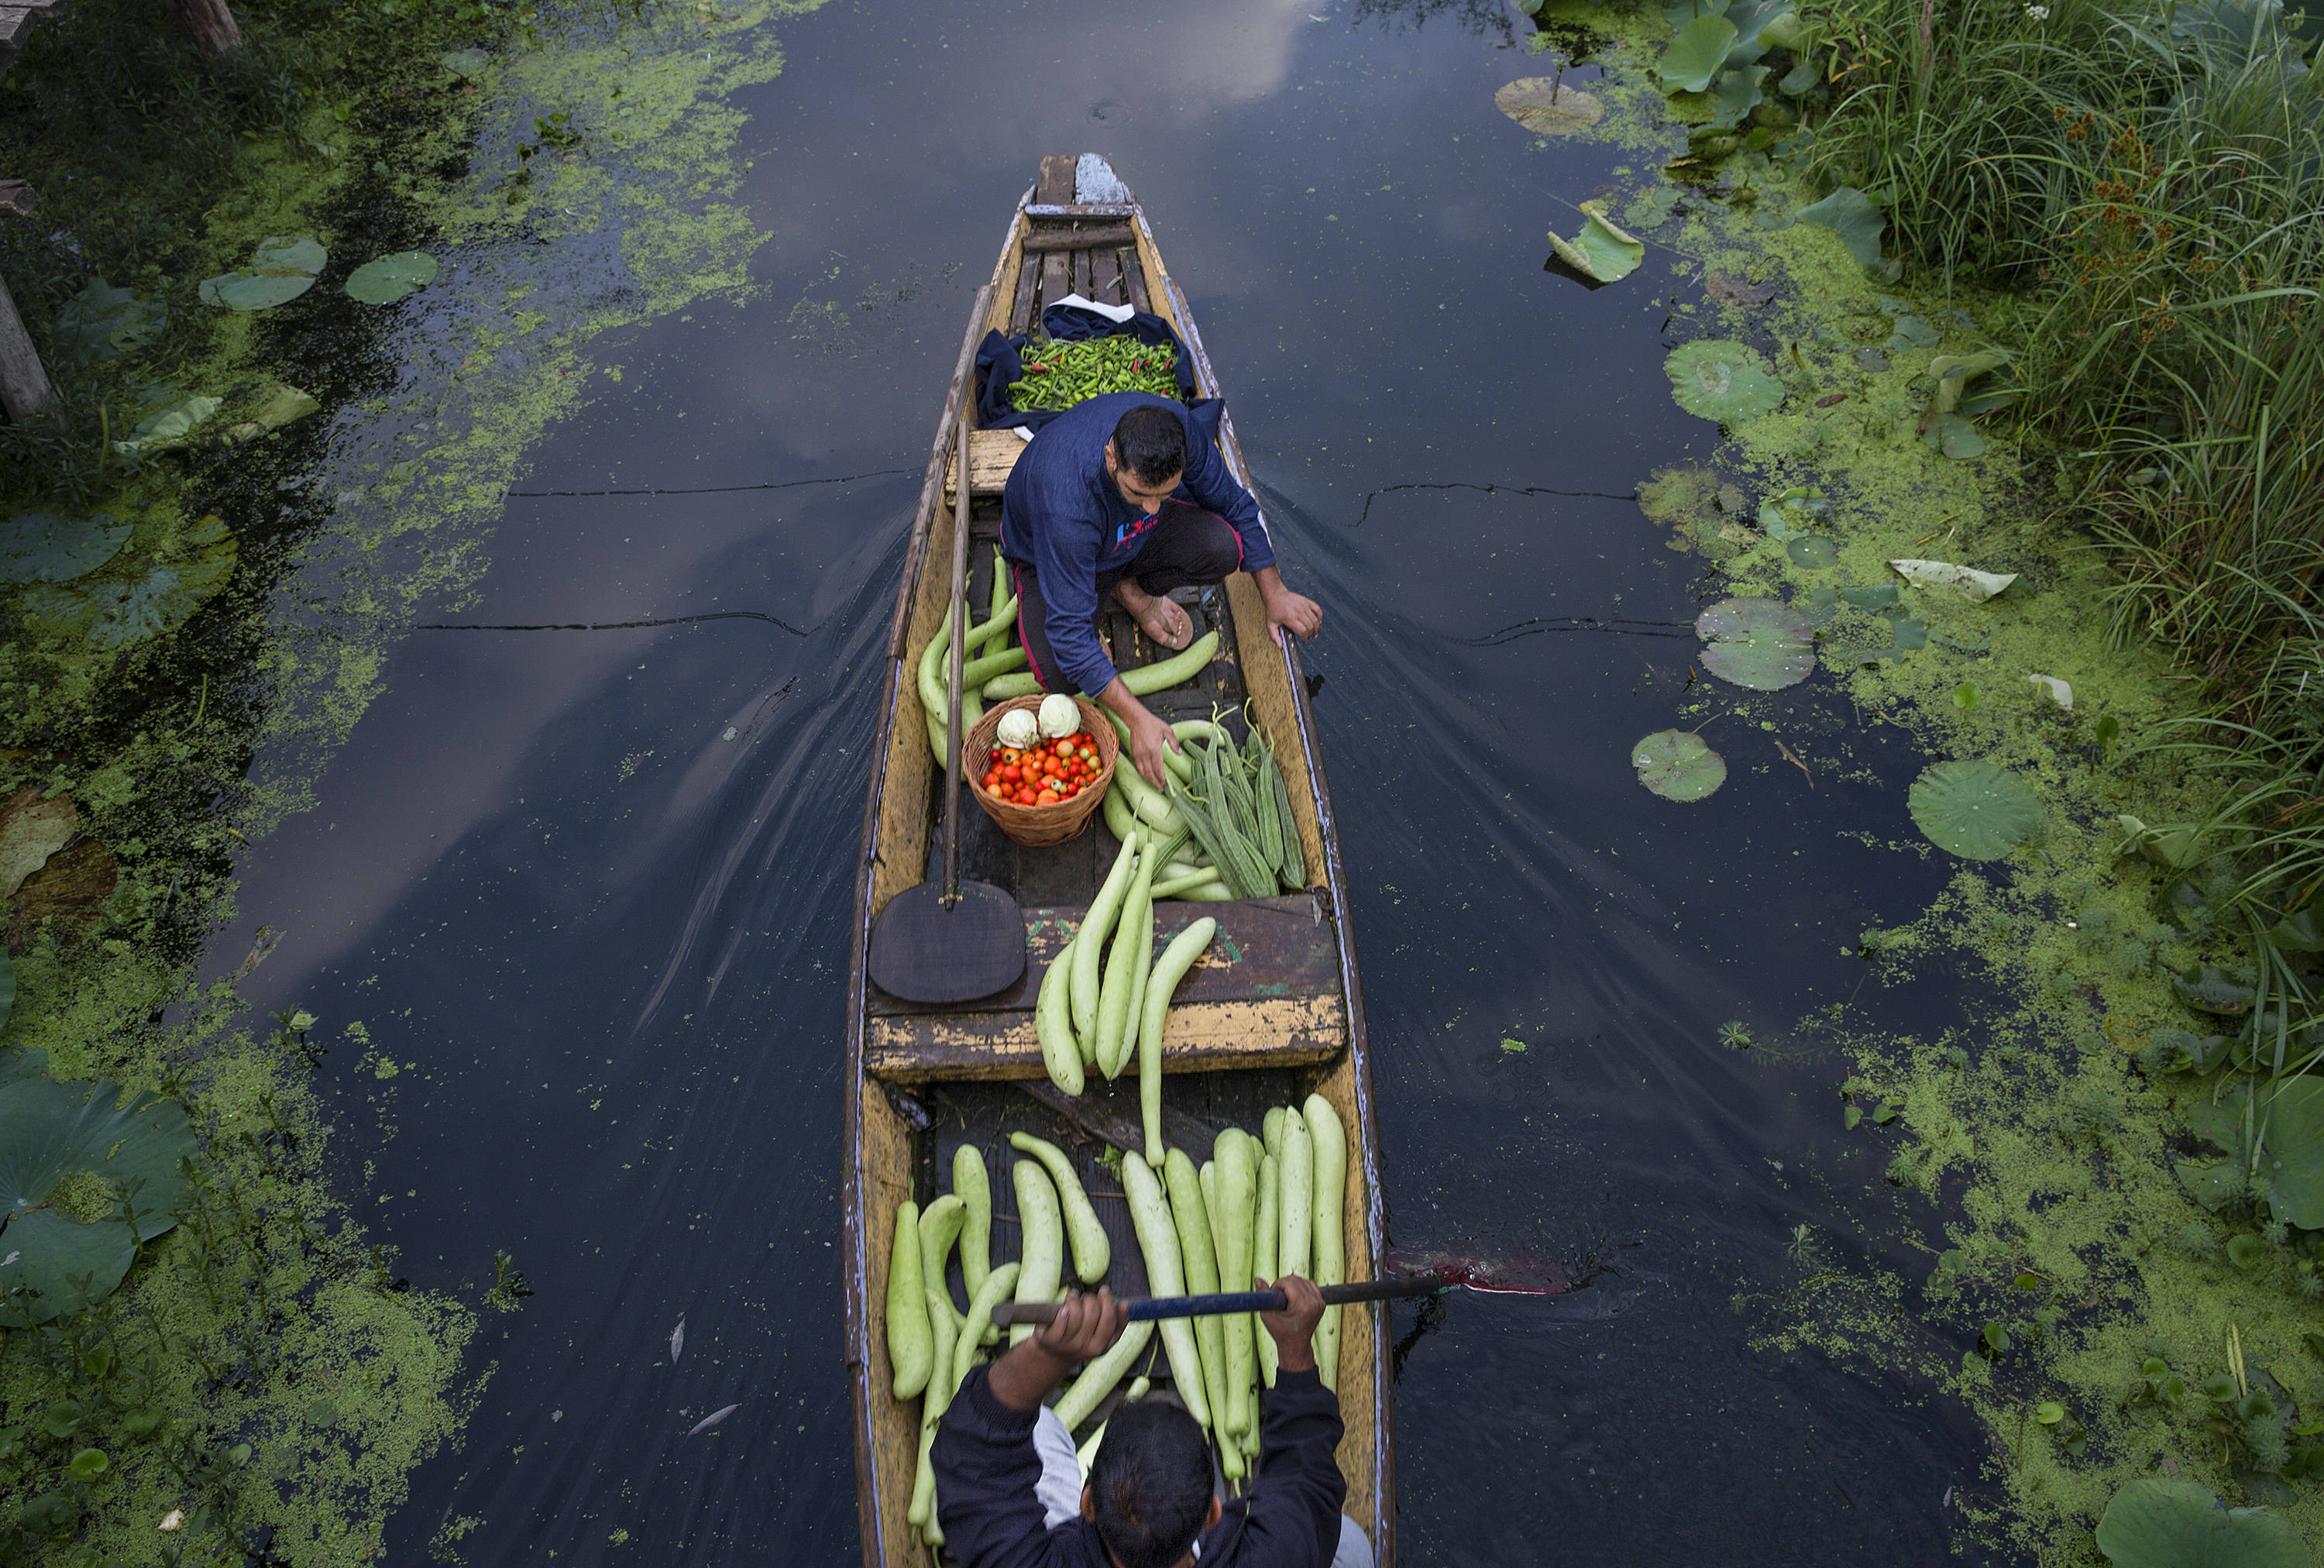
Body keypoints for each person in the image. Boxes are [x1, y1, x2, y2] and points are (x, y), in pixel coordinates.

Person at [1000, 391, 1325, 792]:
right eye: (1138, 494)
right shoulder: (1066, 502)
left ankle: (1129, 587)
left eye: (1165, 494)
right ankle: (1104, 590)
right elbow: (1068, 635)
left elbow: (1237, 506)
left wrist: (1275, 594)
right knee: (1062, 676)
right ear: (1111, 458)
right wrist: (1139, 719)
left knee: (1224, 548)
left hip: (1124, 539)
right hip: (1053, 555)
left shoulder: (1178, 430)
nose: (1153, 508)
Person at [931, 1276, 1373, 1568]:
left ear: (1087, 1503)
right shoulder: (1278, 1555)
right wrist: (1295, 1348)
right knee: (1348, 1543)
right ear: (1213, 1514)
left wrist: (1050, 1354)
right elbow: (1308, 1485)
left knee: (1041, 1427)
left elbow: (971, 1459)